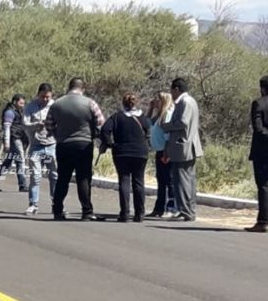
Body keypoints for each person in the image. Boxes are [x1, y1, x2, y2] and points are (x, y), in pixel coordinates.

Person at [45, 77, 106, 221]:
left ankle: (58, 210)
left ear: (69, 87)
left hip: (63, 144)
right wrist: (95, 135)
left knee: (63, 178)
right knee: (83, 178)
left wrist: (57, 136)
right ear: (82, 89)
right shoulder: (90, 103)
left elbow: (48, 124)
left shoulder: (57, 104)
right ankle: (87, 211)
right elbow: (101, 122)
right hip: (84, 144)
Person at [100, 93, 150, 222]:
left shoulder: (117, 117)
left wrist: (110, 144)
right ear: (136, 103)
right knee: (139, 182)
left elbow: (105, 130)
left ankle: (125, 213)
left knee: (124, 181)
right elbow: (148, 132)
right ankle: (140, 214)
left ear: (123, 103)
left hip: (122, 152)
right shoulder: (143, 117)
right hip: (140, 152)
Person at [160, 78, 203, 222]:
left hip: (183, 147)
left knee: (183, 181)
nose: (171, 93)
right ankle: (186, 210)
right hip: (185, 147)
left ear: (176, 89)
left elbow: (182, 123)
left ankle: (186, 211)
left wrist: (166, 126)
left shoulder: (185, 102)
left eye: (172, 90)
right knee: (186, 180)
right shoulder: (189, 101)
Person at [22, 83, 57, 215]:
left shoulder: (55, 107)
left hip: (52, 145)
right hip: (36, 146)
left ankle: (56, 203)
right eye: (43, 97)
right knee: (36, 176)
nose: (45, 99)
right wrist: (35, 126)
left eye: (48, 97)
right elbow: (25, 124)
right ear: (38, 95)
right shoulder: (30, 107)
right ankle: (33, 204)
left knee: (54, 176)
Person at [0, 94, 28, 192]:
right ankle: (22, 185)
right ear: (15, 102)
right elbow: (7, 128)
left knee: (7, 162)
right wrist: (7, 142)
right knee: (20, 160)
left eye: (23, 103)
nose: (22, 105)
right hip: (14, 139)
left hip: (18, 138)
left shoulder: (18, 111)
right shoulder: (9, 112)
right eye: (20, 103)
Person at [145, 92, 177, 217]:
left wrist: (166, 152)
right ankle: (158, 209)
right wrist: (150, 108)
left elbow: (167, 135)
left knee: (169, 181)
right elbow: (146, 123)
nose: (156, 102)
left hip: (166, 151)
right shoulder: (159, 116)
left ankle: (171, 208)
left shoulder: (167, 115)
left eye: (157, 100)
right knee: (161, 181)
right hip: (159, 151)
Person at [246, 75, 268, 233]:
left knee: (264, 186)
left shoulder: (258, 103)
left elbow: (258, 128)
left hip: (262, 151)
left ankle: (263, 221)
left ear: (262, 88)